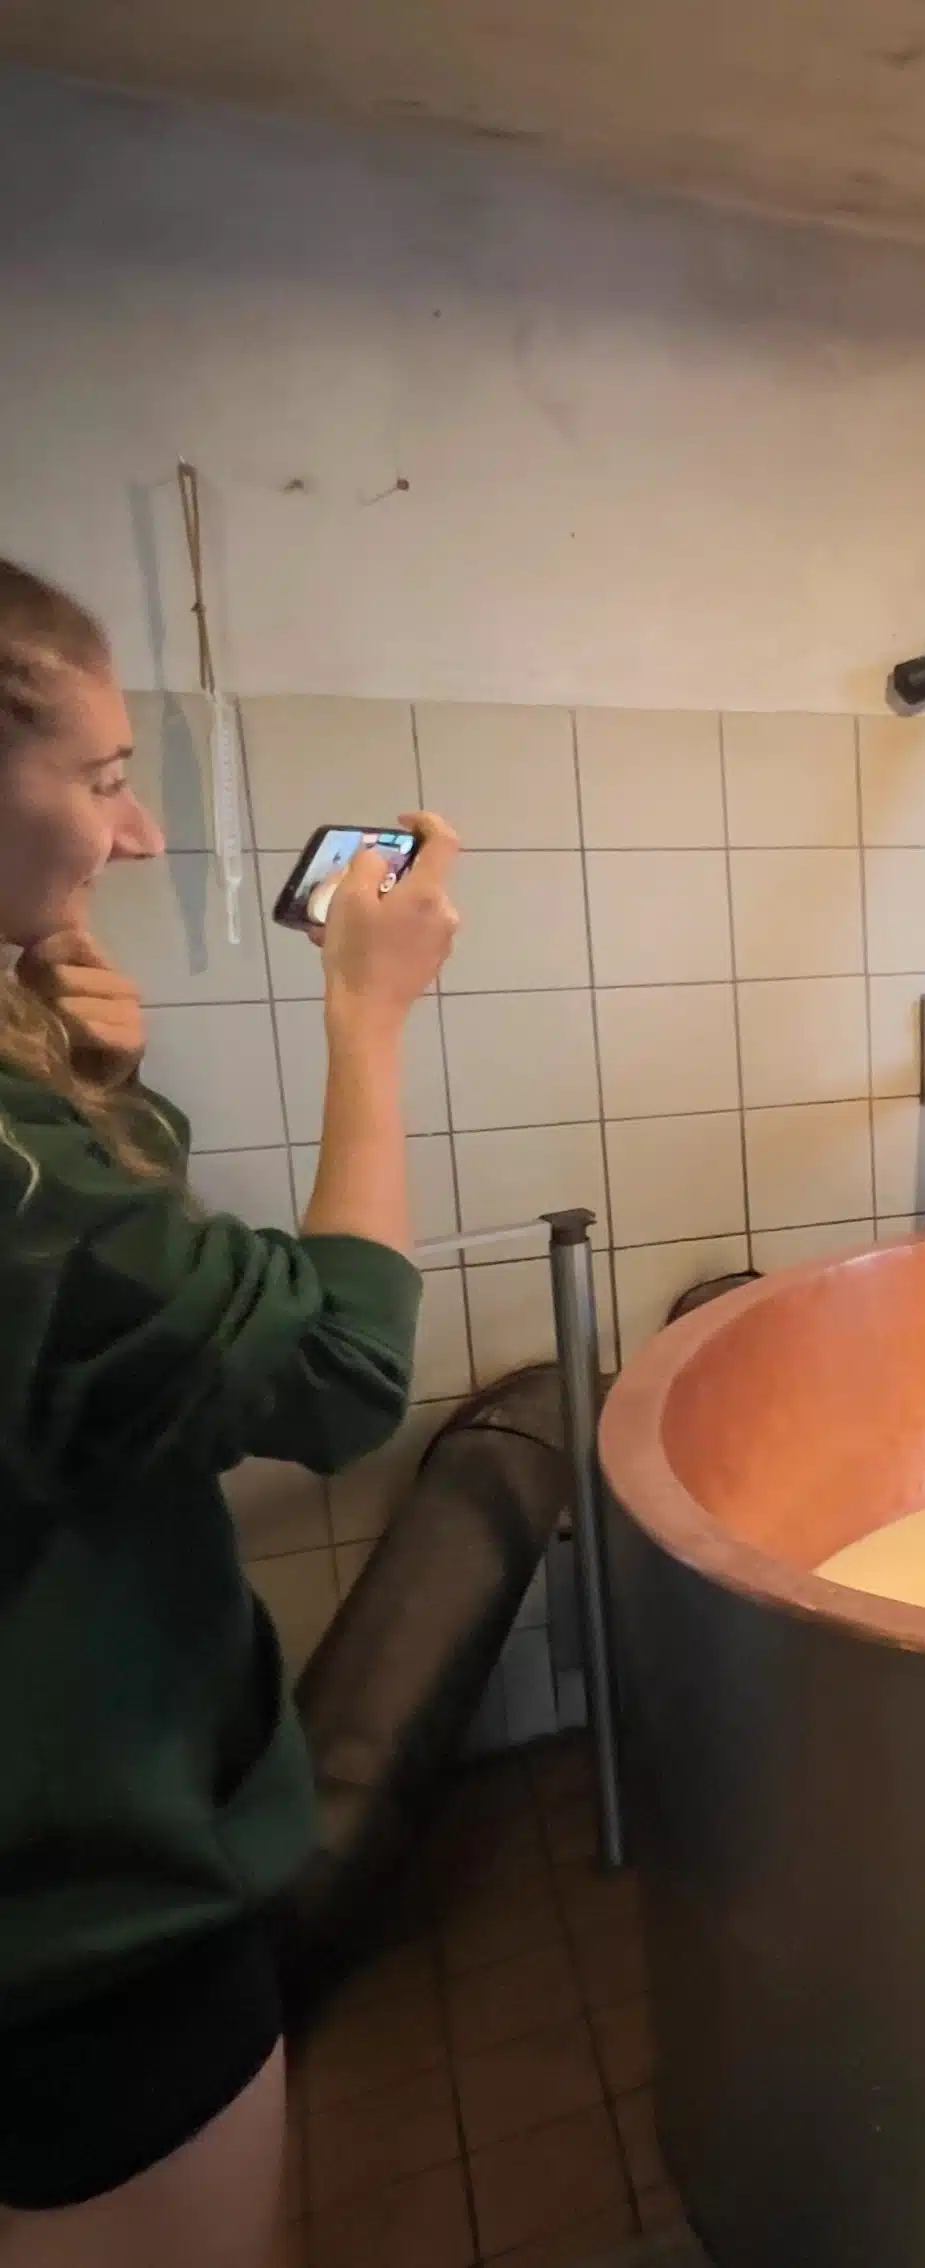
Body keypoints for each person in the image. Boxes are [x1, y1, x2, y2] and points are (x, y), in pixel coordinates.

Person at [0, 559, 460, 2268]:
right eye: (105, 777)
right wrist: (367, 1015)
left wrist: (93, 1089)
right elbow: (339, 1371)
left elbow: (92, 1336)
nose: (129, 839)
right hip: (80, 1923)